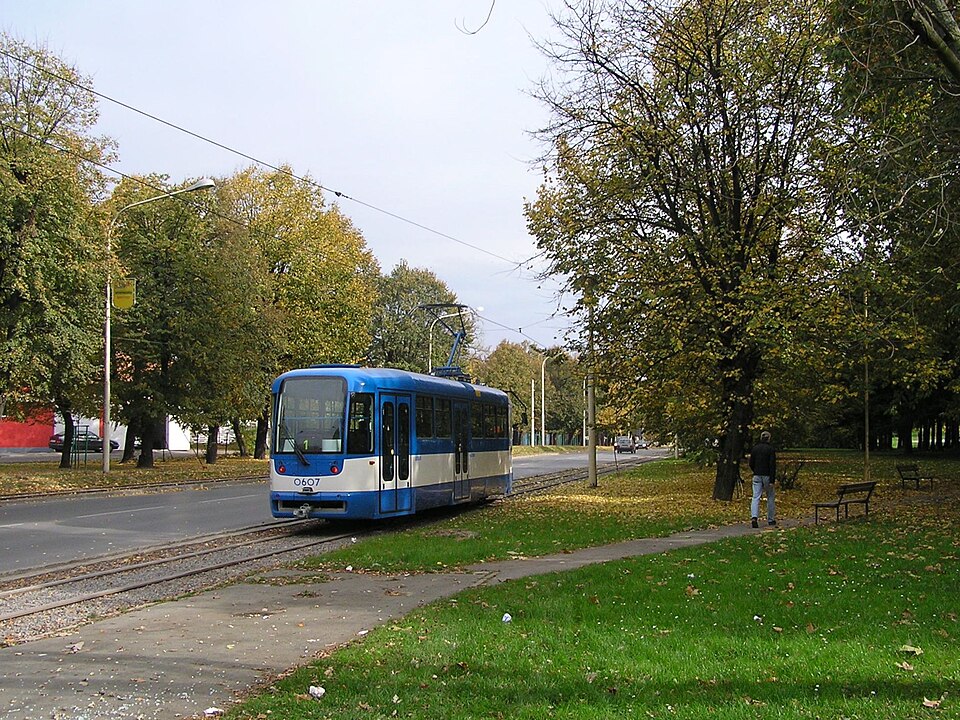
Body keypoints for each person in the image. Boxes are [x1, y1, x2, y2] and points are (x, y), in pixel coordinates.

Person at [749, 430, 777, 528]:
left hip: (757, 475)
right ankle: (770, 519)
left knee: (756, 496)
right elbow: (772, 465)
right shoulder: (770, 449)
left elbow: (751, 463)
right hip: (767, 476)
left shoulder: (755, 449)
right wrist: (772, 480)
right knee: (770, 497)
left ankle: (754, 517)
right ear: (769, 438)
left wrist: (755, 470)